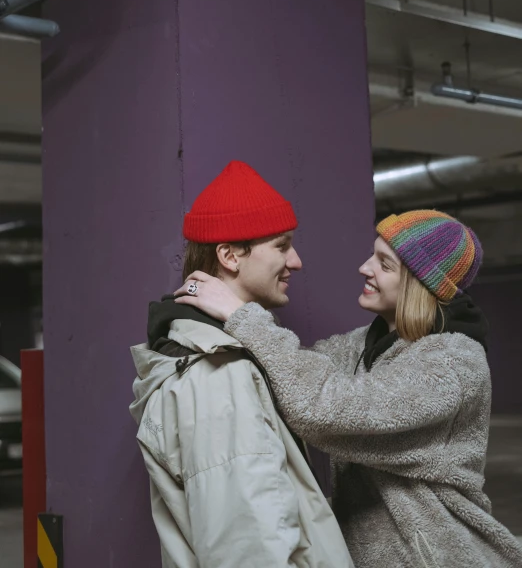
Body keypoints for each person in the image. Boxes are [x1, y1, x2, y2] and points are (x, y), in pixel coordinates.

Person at [175, 209, 522, 568]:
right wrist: (222, 302)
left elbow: (323, 409)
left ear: (420, 284)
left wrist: (240, 314)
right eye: (373, 254)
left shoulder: (452, 363)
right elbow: (289, 370)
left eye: (384, 265)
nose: (365, 268)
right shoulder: (364, 345)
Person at [130, 161, 354, 568]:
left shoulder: (208, 357)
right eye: (282, 246)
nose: (297, 261)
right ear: (230, 256)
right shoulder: (221, 374)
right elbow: (247, 546)